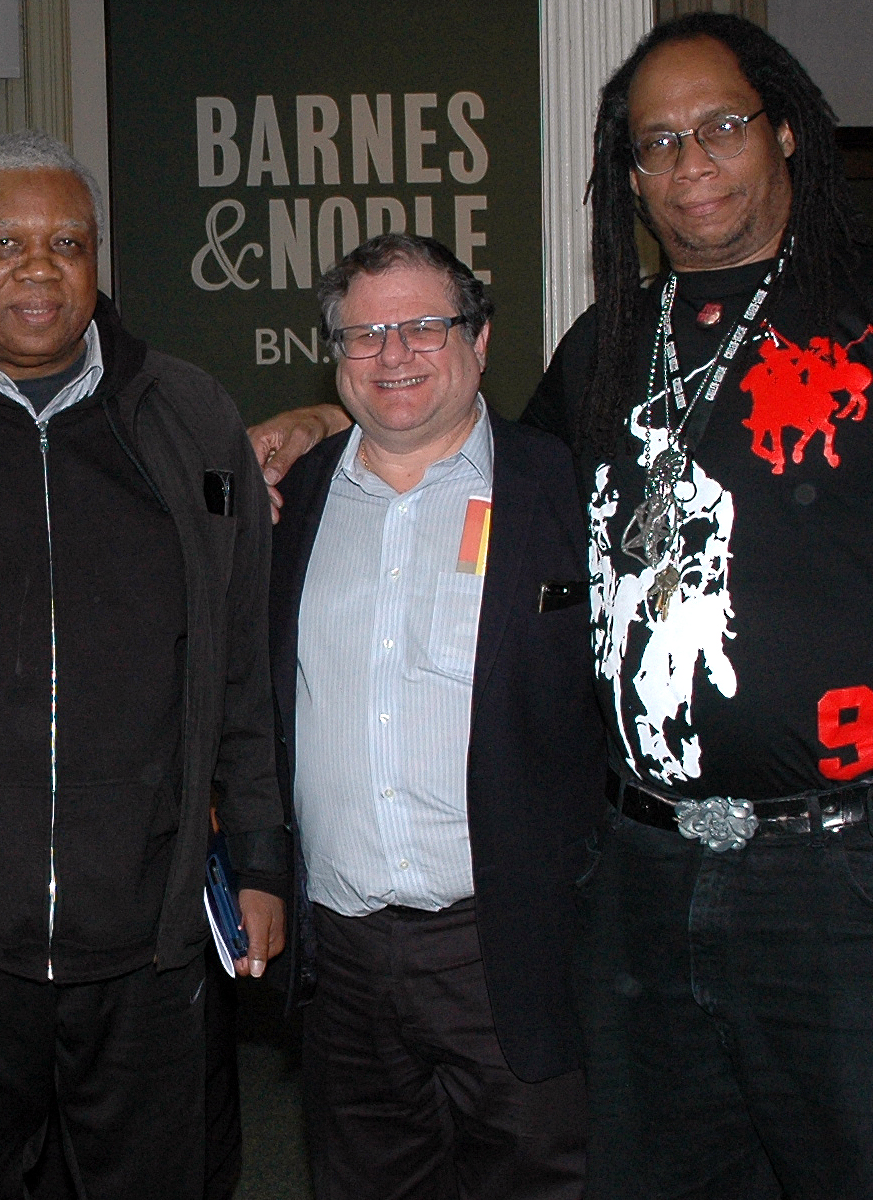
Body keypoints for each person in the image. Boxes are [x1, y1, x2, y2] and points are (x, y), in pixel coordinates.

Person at [253, 12, 873, 1197]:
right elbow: (463, 454)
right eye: (657, 143)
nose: (690, 163)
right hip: (640, 877)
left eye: (720, 127)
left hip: (841, 880)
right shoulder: (611, 342)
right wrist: (324, 422)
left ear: (789, 136)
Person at [0, 130, 287, 1200]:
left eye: (67, 243)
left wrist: (268, 862)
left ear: (100, 264)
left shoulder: (188, 418)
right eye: (6, 242)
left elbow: (240, 658)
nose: (39, 267)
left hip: (147, 943)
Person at [268, 234, 602, 1199]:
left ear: (480, 339)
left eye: (423, 325)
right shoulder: (298, 498)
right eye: (364, 333)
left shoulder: (562, 489)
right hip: (346, 961)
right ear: (334, 357)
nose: (394, 354)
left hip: (511, 948)